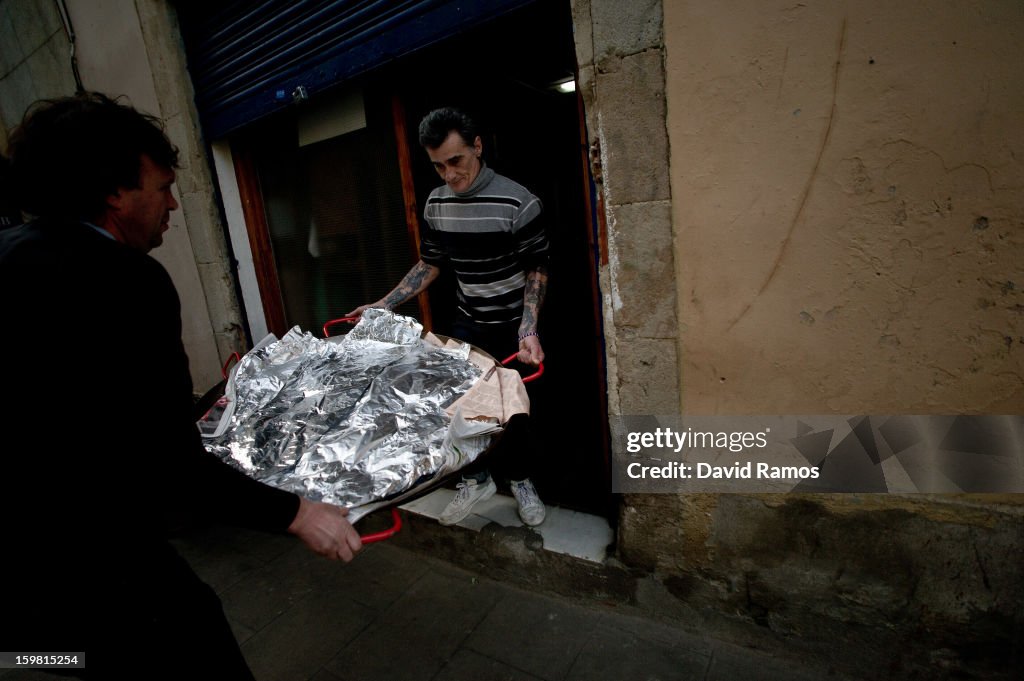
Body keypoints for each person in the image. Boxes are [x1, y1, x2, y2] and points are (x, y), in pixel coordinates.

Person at [0, 92, 362, 680]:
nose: (172, 204)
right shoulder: (123, 281)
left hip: (24, 616)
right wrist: (299, 514)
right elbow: (161, 457)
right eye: (163, 186)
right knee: (195, 648)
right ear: (114, 192)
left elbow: (81, 412)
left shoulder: (12, 254)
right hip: (99, 573)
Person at [348, 107, 549, 527]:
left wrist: (528, 327)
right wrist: (381, 305)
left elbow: (537, 269)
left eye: (455, 161)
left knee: (511, 413)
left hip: (510, 324)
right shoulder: (437, 203)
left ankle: (522, 480)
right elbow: (430, 264)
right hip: (466, 322)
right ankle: (475, 480)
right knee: (457, 410)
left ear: (477, 146)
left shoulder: (519, 201)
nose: (449, 175)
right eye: (438, 165)